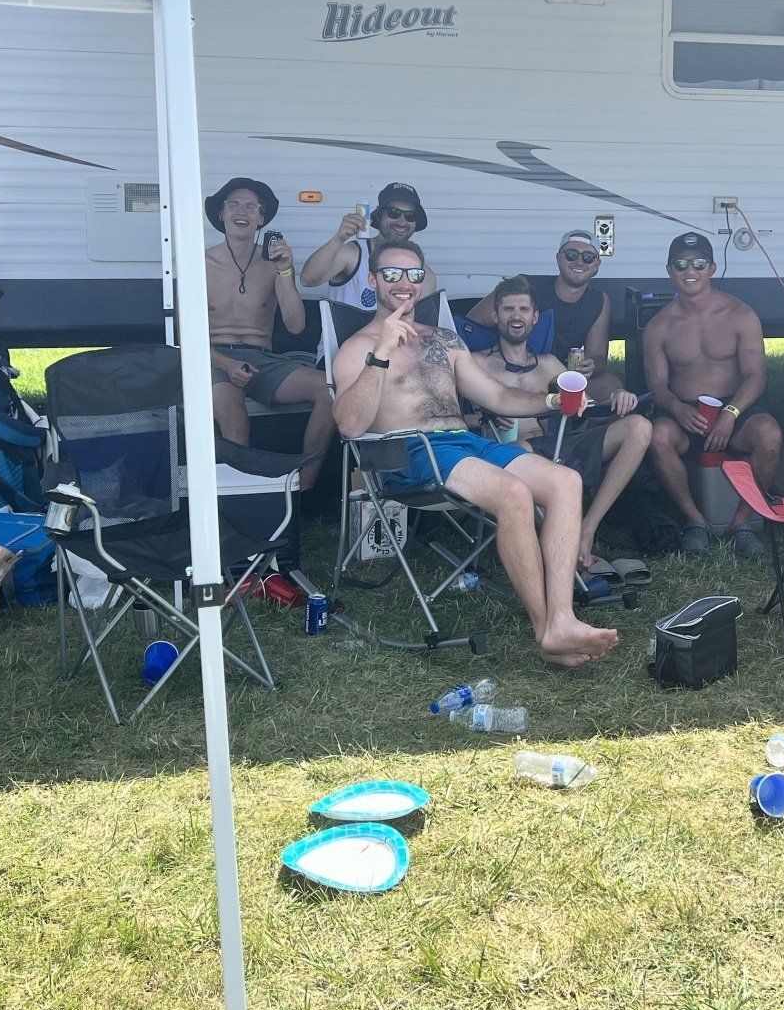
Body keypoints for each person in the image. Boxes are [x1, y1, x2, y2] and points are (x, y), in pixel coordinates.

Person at [329, 244, 618, 668]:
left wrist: (553, 401)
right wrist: (382, 354)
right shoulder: (359, 349)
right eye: (391, 274)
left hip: (465, 442)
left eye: (412, 274)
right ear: (373, 282)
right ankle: (547, 631)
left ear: (423, 280)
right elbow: (350, 426)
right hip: (409, 451)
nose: (404, 284)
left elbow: (498, 395)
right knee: (514, 494)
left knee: (564, 481)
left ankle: (563, 617)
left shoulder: (444, 341)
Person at [469, 275, 649, 571]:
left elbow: (583, 405)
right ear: (495, 315)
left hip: (551, 447)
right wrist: (479, 417)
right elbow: (448, 417)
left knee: (639, 427)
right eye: (509, 309)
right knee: (524, 451)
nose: (516, 316)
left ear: (535, 317)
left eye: (523, 310)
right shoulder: (476, 364)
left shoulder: (550, 364)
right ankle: (568, 558)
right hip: (503, 454)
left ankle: (587, 530)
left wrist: (618, 395)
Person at [642, 232, 784, 558]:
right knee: (657, 436)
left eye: (698, 262)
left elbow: (755, 377)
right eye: (680, 264)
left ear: (712, 268)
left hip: (736, 406)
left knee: (770, 435)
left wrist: (731, 413)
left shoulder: (741, 315)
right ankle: (696, 521)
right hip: (686, 413)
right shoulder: (659, 327)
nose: (689, 270)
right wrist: (677, 409)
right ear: (669, 270)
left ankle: (741, 523)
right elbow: (659, 388)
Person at [204, 177, 333, 489]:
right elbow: (183, 337)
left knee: (330, 390)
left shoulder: (273, 262)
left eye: (251, 207)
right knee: (235, 419)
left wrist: (285, 270)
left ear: (261, 218)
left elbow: (296, 325)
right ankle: (237, 507)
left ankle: (303, 490)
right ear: (221, 214)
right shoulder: (200, 262)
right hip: (212, 358)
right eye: (233, 205)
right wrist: (226, 365)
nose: (241, 212)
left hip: (262, 358)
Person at [466, 230, 618, 395]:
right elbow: (469, 326)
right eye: (571, 255)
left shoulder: (599, 301)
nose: (579, 261)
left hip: (559, 375)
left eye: (588, 257)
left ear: (596, 265)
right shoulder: (525, 286)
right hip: (513, 371)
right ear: (558, 258)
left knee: (610, 386)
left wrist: (591, 366)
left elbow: (598, 356)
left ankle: (584, 419)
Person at [300, 181, 439, 310]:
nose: (402, 222)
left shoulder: (424, 275)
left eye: (410, 216)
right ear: (379, 217)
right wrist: (338, 239)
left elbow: (421, 326)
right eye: (394, 213)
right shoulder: (354, 254)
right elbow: (308, 279)